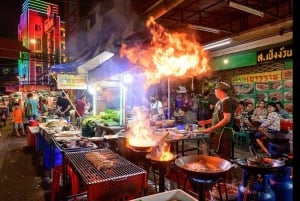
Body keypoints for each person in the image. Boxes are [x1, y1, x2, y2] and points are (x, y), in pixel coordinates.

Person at [198, 81, 236, 160]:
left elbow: (226, 119)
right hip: (218, 133)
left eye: (215, 90)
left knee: (224, 158)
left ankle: (226, 172)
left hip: (224, 134)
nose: (215, 93)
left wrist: (211, 128)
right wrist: (206, 122)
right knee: (217, 156)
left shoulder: (226, 101)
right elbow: (217, 118)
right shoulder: (220, 102)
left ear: (219, 90)